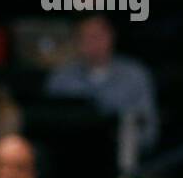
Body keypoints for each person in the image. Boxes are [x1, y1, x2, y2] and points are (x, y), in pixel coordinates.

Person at [45, 14, 160, 155]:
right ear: (76, 42)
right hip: (72, 155)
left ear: (111, 37)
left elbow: (148, 128)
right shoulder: (61, 79)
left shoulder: (134, 75)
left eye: (99, 36)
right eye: (87, 37)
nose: (94, 43)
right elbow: (51, 128)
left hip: (123, 156)